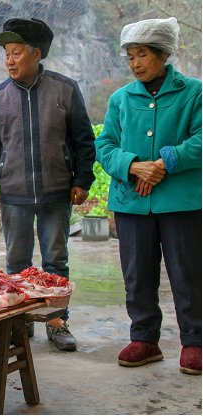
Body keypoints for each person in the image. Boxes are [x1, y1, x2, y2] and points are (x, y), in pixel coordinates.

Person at [0, 18, 96, 351]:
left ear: (36, 54)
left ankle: (57, 322)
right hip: (13, 195)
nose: (10, 60)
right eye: (7, 54)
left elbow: (85, 141)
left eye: (16, 53)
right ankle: (21, 320)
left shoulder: (65, 89)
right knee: (17, 263)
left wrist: (83, 179)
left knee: (55, 260)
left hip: (56, 192)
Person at [95, 17, 201, 375]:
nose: (136, 63)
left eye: (142, 55)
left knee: (186, 272)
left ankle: (195, 341)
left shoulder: (194, 93)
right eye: (130, 57)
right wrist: (134, 166)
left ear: (164, 54)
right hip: (131, 201)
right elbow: (105, 146)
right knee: (137, 273)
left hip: (181, 201)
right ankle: (145, 338)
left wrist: (165, 162)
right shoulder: (121, 99)